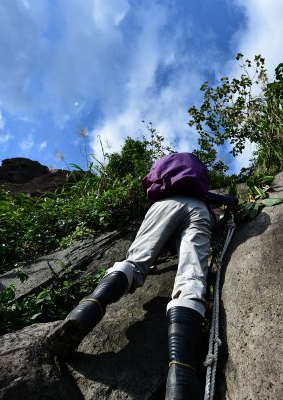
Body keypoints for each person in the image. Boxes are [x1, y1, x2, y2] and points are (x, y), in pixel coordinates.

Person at [45, 152, 237, 400]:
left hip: (163, 205)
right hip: (199, 209)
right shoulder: (200, 185)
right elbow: (216, 200)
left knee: (135, 262)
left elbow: (149, 184)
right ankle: (182, 371)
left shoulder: (165, 169)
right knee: (192, 278)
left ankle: (87, 309)